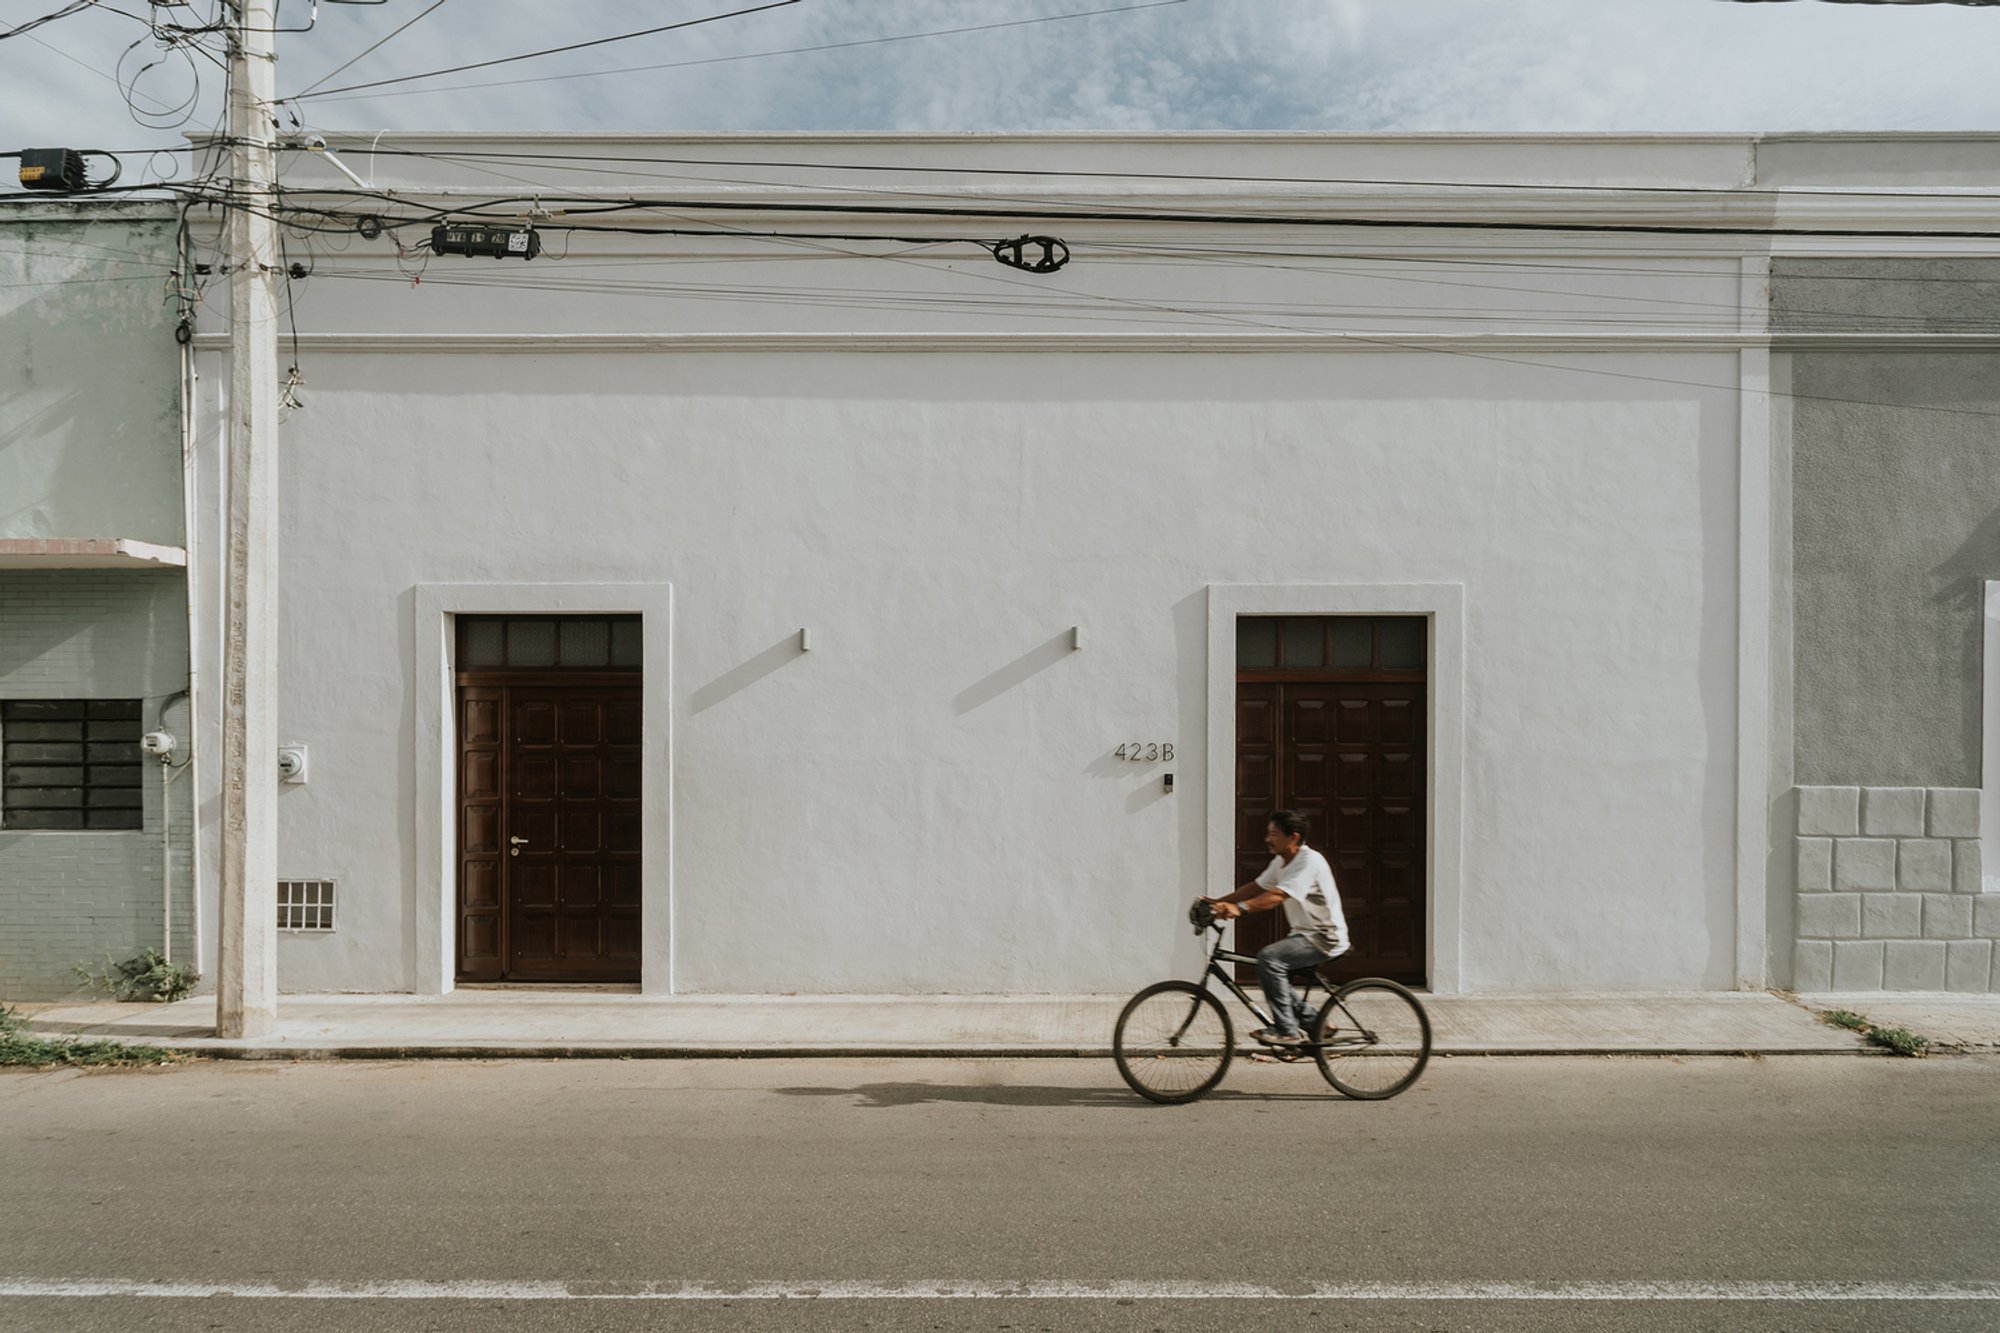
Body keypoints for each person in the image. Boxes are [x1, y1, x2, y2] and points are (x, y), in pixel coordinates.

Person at [1204, 809, 1350, 1046]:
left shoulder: (1309, 861)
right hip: (1304, 935)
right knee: (1272, 973)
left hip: (1324, 937)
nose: (1267, 839)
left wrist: (1239, 908)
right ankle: (1316, 1023)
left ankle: (1286, 1031)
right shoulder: (1281, 861)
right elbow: (1256, 887)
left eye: (1273, 834)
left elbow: (1279, 895)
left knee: (1270, 959)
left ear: (1293, 837)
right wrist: (1218, 902)